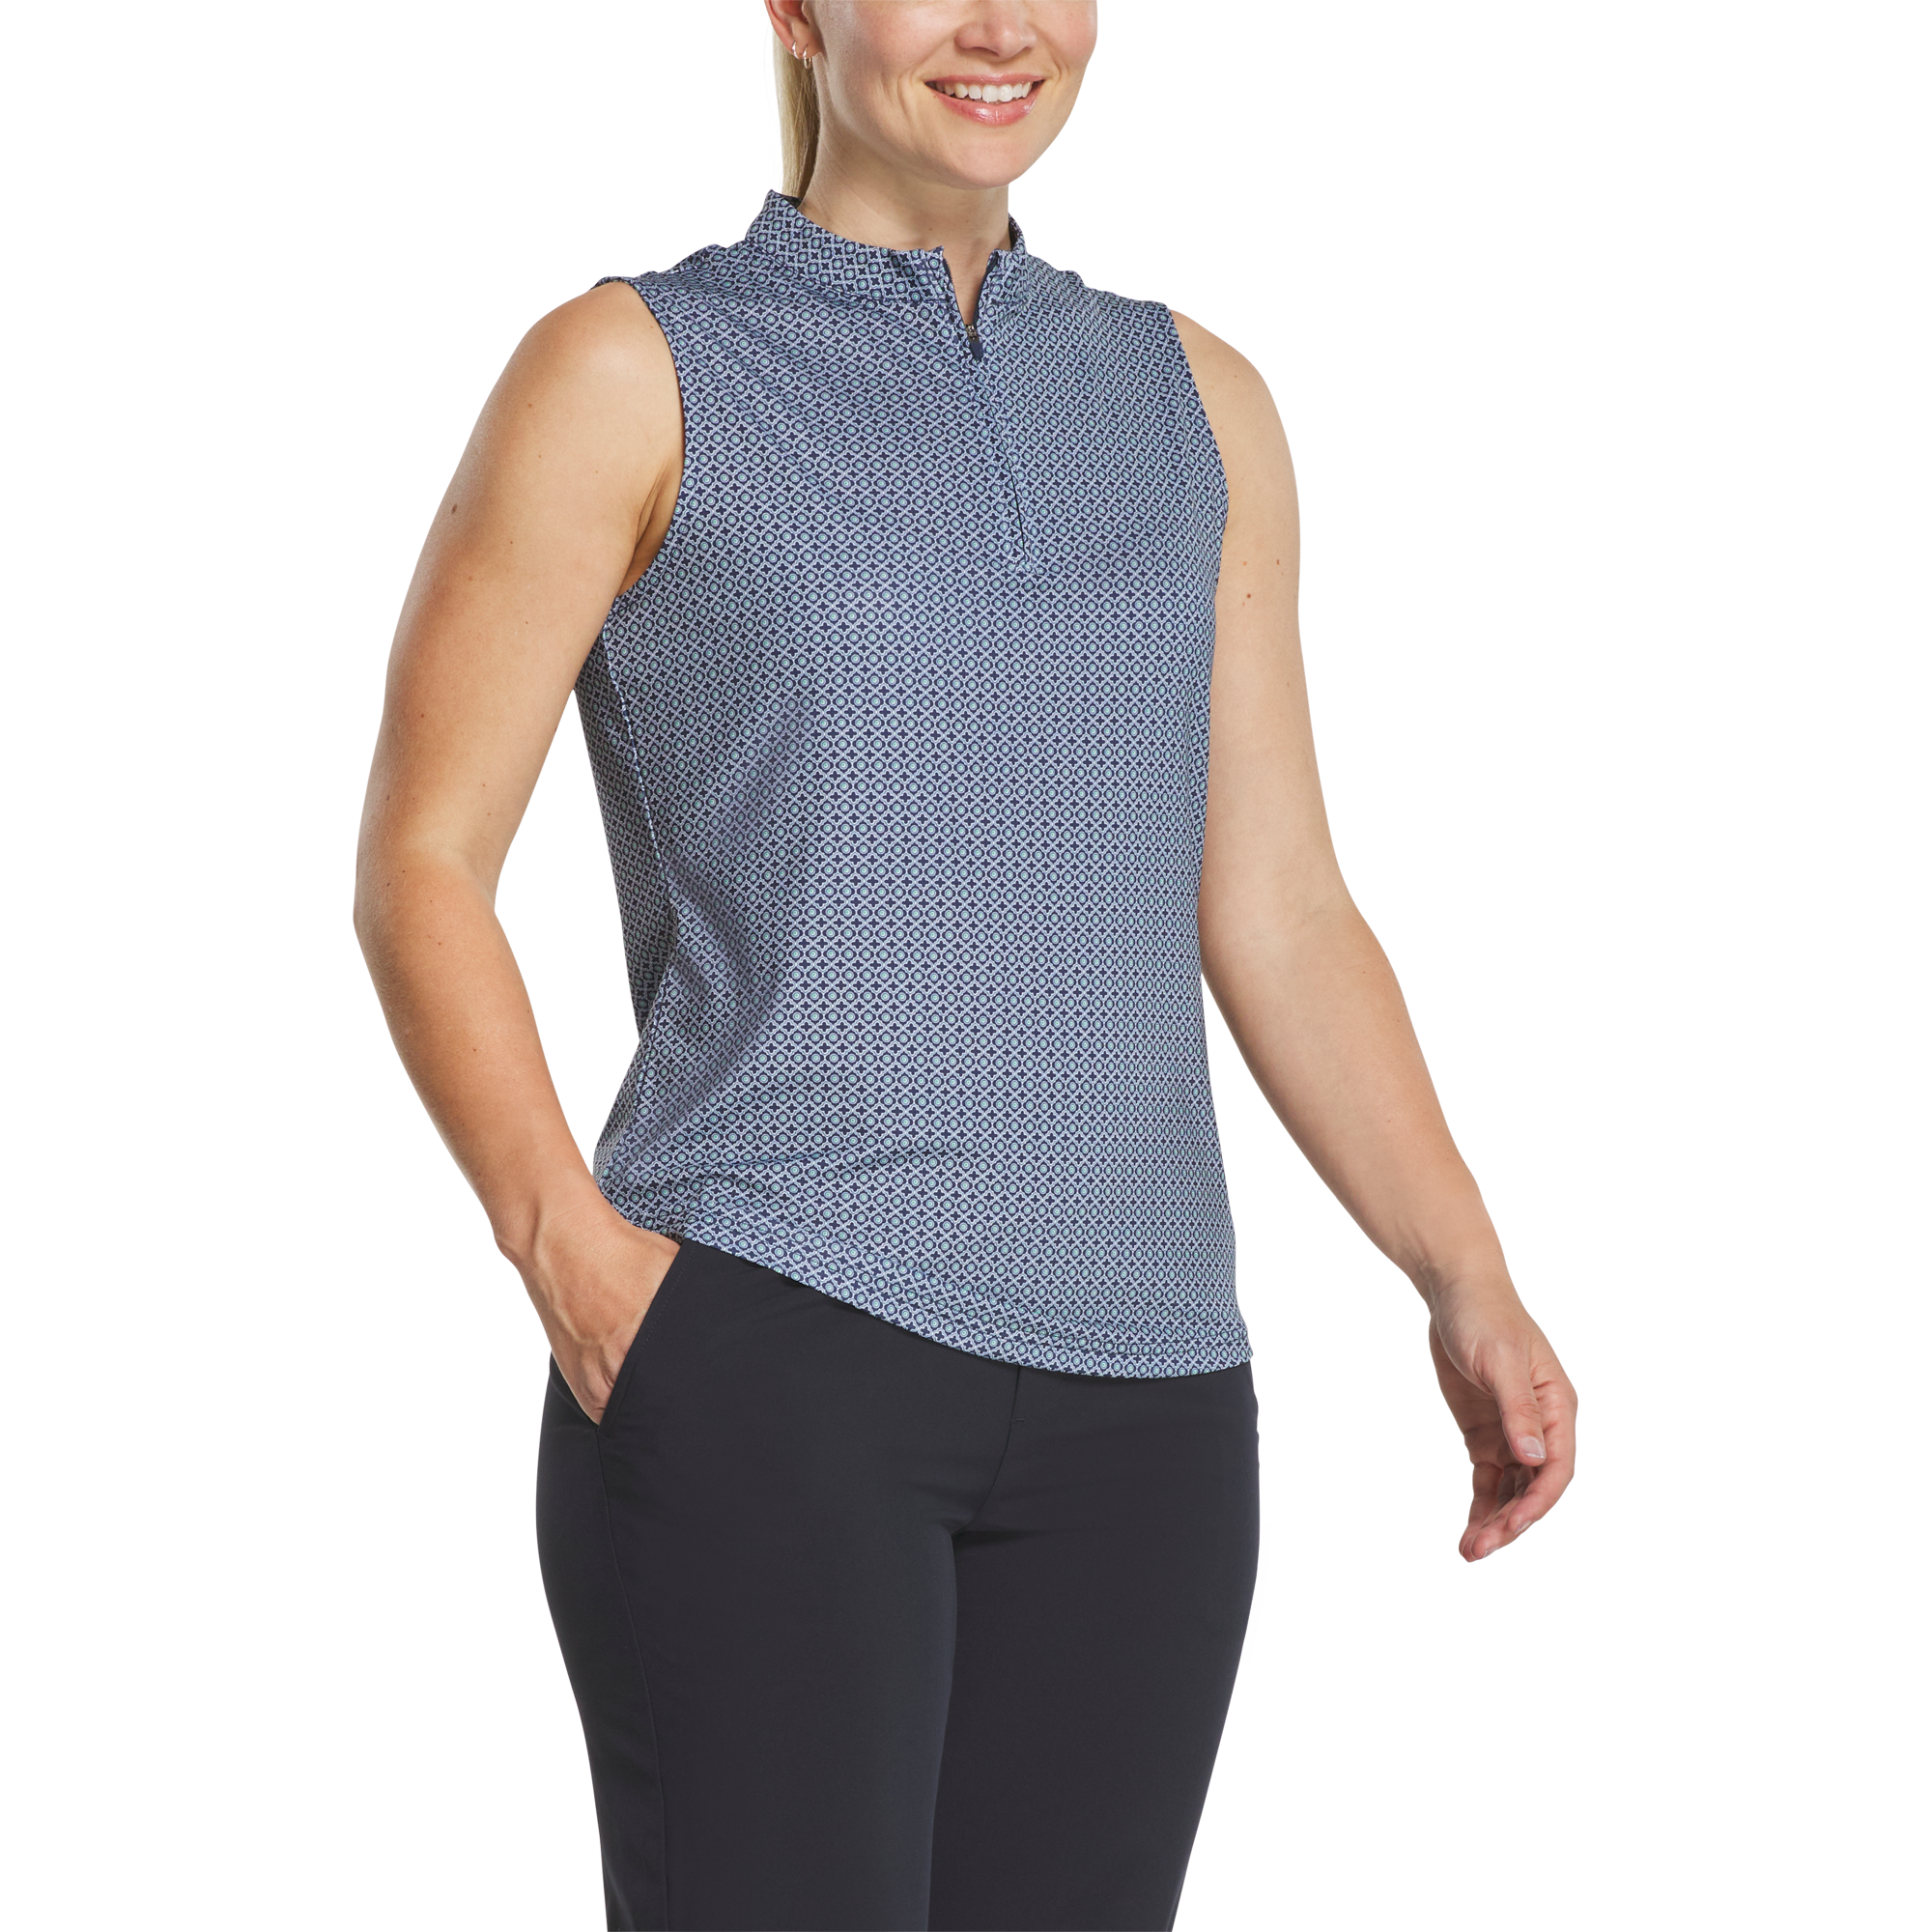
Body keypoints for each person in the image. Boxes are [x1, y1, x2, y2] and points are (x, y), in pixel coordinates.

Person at [354, 3, 1579, 1926]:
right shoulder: (632, 371)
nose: (1001, 27)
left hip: (1150, 1408)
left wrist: (1465, 1272)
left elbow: (1278, 903)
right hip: (773, 1362)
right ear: (797, 9)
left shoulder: (1195, 402)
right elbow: (423, 860)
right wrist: (573, 1265)